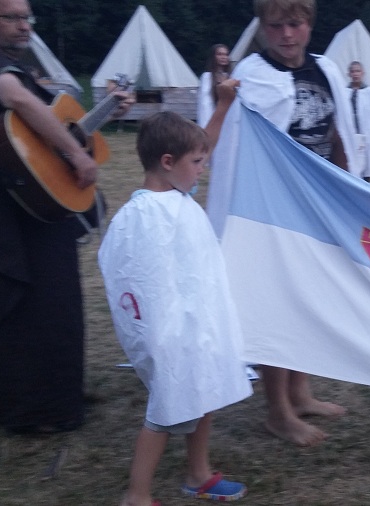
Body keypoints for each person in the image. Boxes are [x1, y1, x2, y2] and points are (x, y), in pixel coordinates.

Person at [206, 0, 350, 447]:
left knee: (308, 298)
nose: (286, 34)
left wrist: (347, 189)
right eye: (276, 26)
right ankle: (278, 411)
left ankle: (300, 392)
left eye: (295, 24)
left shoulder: (327, 70)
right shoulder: (250, 76)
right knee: (276, 303)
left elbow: (338, 133)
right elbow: (232, 148)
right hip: (271, 210)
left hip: (317, 204)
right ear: (262, 28)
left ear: (309, 24)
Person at [0, 0, 132, 434]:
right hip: (10, 213)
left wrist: (104, 113)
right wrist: (74, 153)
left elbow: (52, 129)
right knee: (29, 307)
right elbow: (15, 99)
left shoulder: (23, 68)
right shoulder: (0, 69)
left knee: (56, 305)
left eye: (26, 17)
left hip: (35, 204)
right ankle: (33, 409)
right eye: (11, 17)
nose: (23, 26)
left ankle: (57, 395)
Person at [99, 110, 252, 506]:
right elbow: (143, 282)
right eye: (197, 162)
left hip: (198, 325)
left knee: (204, 394)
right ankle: (137, 495)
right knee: (167, 411)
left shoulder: (180, 199)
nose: (203, 169)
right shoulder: (143, 216)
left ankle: (198, 473)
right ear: (168, 162)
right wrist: (161, 337)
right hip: (170, 334)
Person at [197, 43, 231, 127]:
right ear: (213, 57)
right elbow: (205, 104)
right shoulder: (207, 77)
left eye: (226, 54)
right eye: (220, 54)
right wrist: (206, 125)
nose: (223, 57)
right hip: (213, 119)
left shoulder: (230, 77)